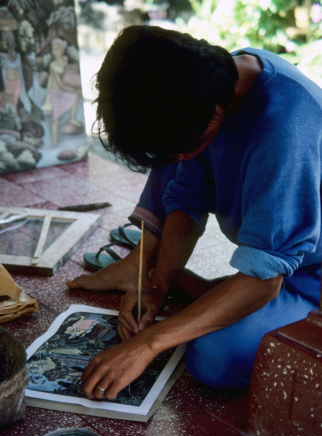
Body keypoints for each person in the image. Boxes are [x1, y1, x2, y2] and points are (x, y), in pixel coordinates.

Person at [67, 26, 322, 400]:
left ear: (214, 113)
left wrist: (148, 343)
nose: (177, 161)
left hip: (308, 277)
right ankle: (203, 292)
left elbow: (265, 278)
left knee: (214, 358)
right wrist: (158, 285)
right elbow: (186, 198)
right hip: (276, 261)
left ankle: (219, 297)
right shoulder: (206, 79)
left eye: (188, 149)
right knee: (174, 156)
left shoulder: (285, 130)